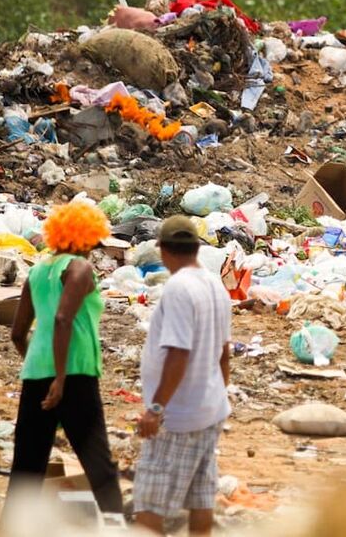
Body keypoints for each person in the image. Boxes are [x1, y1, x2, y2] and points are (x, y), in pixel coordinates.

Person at [3, 201, 123, 522]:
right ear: (85, 239)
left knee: (27, 468)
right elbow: (62, 319)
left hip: (35, 374)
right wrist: (60, 378)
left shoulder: (36, 272)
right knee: (99, 464)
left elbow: (17, 333)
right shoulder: (80, 269)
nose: (93, 252)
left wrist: (41, 367)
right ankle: (118, 527)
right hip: (75, 374)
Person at [134, 216, 231, 536]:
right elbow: (223, 350)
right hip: (209, 410)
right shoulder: (214, 283)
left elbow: (178, 353)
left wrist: (157, 409)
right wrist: (216, 392)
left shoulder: (178, 287)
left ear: (163, 250)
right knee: (200, 499)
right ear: (195, 248)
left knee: (149, 504)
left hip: (179, 417)